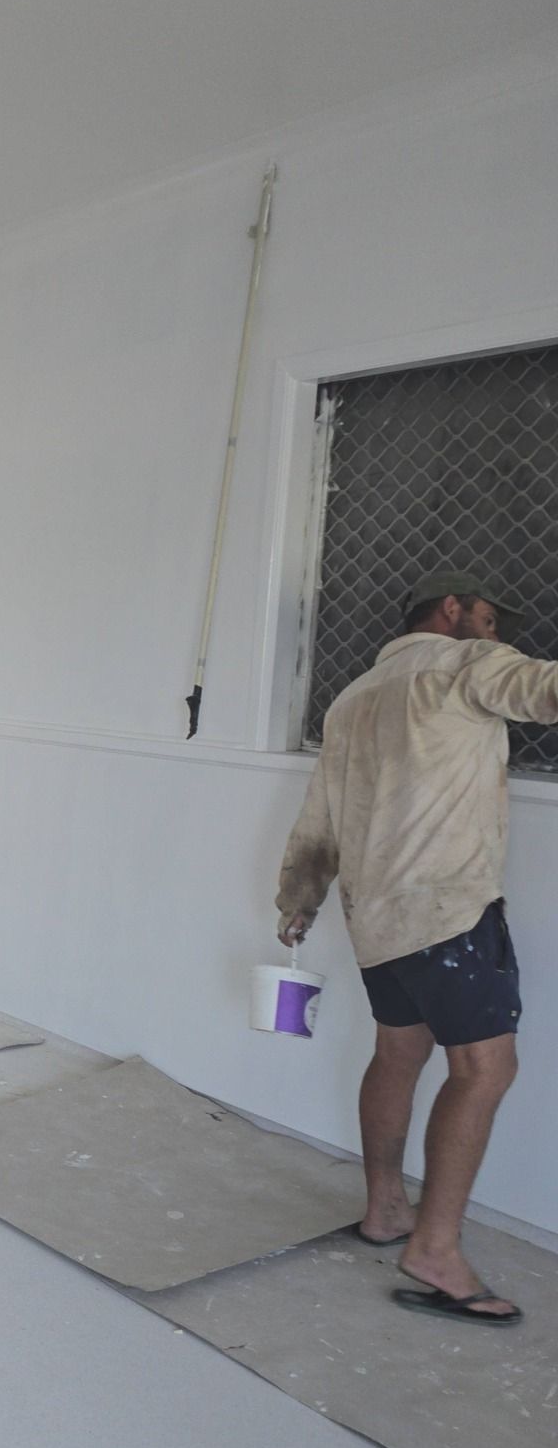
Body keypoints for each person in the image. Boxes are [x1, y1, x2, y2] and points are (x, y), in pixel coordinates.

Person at [276, 568, 558, 1327]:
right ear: (454, 610)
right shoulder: (466, 664)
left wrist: (298, 900)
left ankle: (385, 1213)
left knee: (398, 1053)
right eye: (491, 620)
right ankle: (435, 1248)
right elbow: (548, 692)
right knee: (485, 1069)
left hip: (376, 917)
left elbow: (319, 819)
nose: (498, 637)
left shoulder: (353, 697)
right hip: (449, 912)